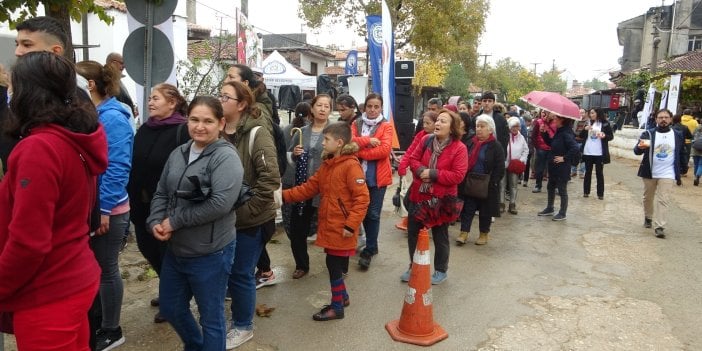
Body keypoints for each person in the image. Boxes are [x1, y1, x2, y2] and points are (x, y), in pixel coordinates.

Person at [0, 51, 108, 350]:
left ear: (26, 93)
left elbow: (28, 241)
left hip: (48, 290)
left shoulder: (39, 148)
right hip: (73, 275)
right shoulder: (68, 137)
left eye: (12, 87)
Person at [148, 96, 242, 351]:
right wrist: (155, 220)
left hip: (210, 252)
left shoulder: (226, 158)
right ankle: (197, 345)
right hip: (177, 251)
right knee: (171, 307)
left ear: (221, 123)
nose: (200, 126)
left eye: (208, 121)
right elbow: (162, 192)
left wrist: (174, 222)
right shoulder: (179, 153)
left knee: (211, 317)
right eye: (194, 119)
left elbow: (220, 204)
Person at [283, 122, 370, 320]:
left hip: (342, 228)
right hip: (331, 226)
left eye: (326, 140)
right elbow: (308, 188)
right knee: (334, 264)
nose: (322, 143)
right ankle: (343, 297)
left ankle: (337, 307)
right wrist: (283, 195)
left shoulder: (351, 166)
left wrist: (351, 224)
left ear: (339, 143)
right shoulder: (328, 165)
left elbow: (362, 199)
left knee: (334, 265)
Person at [76, 60, 134, 350]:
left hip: (109, 211)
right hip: (93, 209)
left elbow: (117, 167)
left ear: (89, 85)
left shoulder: (112, 118)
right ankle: (99, 322)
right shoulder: (94, 114)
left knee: (106, 269)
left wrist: (105, 208)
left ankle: (112, 329)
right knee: (95, 269)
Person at [220, 80, 281, 349]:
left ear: (242, 104)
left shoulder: (257, 133)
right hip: (222, 219)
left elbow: (270, 178)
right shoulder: (218, 131)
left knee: (241, 273)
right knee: (228, 271)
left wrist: (247, 210)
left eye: (225, 96)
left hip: (251, 220)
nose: (219, 99)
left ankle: (244, 326)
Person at [127, 83, 190, 323]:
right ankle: (170, 290)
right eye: (150, 98)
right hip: (140, 205)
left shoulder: (182, 131)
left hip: (166, 206)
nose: (150, 102)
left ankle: (174, 299)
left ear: (172, 103)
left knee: (166, 254)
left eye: (156, 98)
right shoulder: (144, 129)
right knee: (148, 250)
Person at [403, 109, 467, 284]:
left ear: (452, 128)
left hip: (441, 199)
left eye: (443, 121)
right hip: (419, 195)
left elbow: (458, 175)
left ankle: (440, 270)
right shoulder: (426, 140)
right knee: (413, 234)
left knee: (440, 236)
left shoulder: (459, 148)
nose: (438, 124)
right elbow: (413, 159)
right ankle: (413, 266)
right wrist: (421, 170)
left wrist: (433, 174)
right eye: (438, 120)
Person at [288, 94, 332, 279]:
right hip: (304, 187)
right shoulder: (301, 131)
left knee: (332, 228)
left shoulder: (336, 131)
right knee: (297, 229)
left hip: (327, 189)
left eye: (326, 106)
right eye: (319, 105)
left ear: (330, 110)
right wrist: (294, 154)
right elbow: (289, 156)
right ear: (312, 109)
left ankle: (338, 266)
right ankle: (301, 265)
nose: (322, 109)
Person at [352, 93, 394, 269]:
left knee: (373, 214)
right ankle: (371, 243)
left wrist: (359, 150)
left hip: (377, 178)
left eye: (376, 107)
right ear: (365, 107)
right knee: (359, 212)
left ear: (381, 108)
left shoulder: (386, 126)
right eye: (369, 106)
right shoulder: (356, 123)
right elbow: (349, 142)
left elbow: (383, 151)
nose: (372, 110)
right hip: (356, 176)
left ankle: (369, 249)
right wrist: (369, 141)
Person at [634, 109, 686, 238]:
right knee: (648, 198)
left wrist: (683, 167)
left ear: (671, 119)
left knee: (663, 200)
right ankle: (648, 217)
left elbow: (682, 152)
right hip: (650, 171)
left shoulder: (677, 134)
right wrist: (640, 147)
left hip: (668, 173)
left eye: (666, 117)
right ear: (656, 119)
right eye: (660, 117)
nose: (663, 120)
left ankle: (660, 226)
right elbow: (636, 151)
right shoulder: (649, 133)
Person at [456, 114, 505, 246]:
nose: (478, 129)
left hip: (487, 184)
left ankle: (484, 234)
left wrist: (492, 182)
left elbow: (500, 167)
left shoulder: (496, 146)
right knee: (468, 209)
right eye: (477, 126)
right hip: (471, 182)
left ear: (490, 129)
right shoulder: (471, 142)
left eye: (482, 126)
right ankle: (463, 233)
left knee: (485, 212)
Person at [280, 101, 311, 276]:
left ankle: (301, 261)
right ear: (310, 113)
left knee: (293, 219)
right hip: (299, 181)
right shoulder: (302, 131)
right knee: (299, 221)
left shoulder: (286, 129)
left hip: (289, 178)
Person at [396, 111, 439, 231]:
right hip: (419, 174)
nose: (424, 125)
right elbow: (411, 151)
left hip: (434, 177)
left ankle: (424, 226)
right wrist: (403, 165)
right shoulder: (421, 135)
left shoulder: (441, 138)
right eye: (424, 122)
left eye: (428, 123)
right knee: (408, 201)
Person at [537, 112, 580, 221]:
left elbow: (575, 148)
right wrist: (544, 133)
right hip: (554, 166)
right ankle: (550, 208)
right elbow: (552, 144)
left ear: (562, 120)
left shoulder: (566, 133)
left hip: (562, 167)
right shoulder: (559, 131)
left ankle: (562, 213)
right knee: (550, 186)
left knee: (562, 190)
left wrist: (564, 158)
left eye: (556, 117)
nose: (554, 118)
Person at [579, 108, 614, 200]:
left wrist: (604, 135)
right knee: (588, 173)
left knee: (599, 173)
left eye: (592, 113)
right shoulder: (588, 123)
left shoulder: (605, 124)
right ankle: (586, 192)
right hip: (588, 151)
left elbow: (611, 136)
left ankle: (600, 194)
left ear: (598, 113)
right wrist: (585, 129)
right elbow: (581, 136)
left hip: (599, 153)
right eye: (590, 113)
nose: (591, 115)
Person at [505, 116, 529, 215]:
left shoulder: (521, 137)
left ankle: (512, 204)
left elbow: (526, 150)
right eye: (513, 126)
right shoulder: (505, 136)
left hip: (515, 165)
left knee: (513, 185)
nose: (515, 128)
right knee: (502, 185)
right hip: (504, 164)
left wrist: (521, 160)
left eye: (517, 126)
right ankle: (501, 203)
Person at [105, 53, 137, 118]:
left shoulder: (117, 81)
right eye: (121, 63)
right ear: (113, 63)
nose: (124, 66)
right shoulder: (108, 82)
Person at [531, 110, 555, 193]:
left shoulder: (556, 123)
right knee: (540, 168)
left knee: (553, 168)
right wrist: (537, 147)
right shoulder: (539, 122)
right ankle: (538, 185)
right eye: (552, 112)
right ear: (548, 113)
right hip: (541, 148)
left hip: (552, 149)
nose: (554, 114)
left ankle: (553, 186)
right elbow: (533, 135)